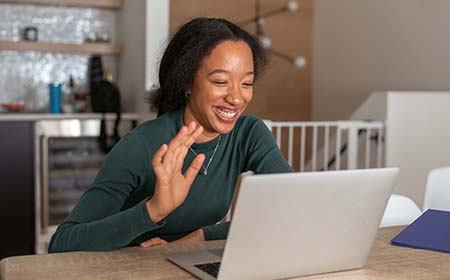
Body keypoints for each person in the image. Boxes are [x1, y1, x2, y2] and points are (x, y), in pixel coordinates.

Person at [48, 17, 292, 253]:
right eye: (220, 81)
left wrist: (200, 236)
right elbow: (62, 243)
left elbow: (292, 207)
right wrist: (153, 210)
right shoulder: (141, 146)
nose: (237, 98)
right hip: (132, 268)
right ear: (186, 82)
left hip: (192, 260)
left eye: (247, 84)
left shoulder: (248, 133)